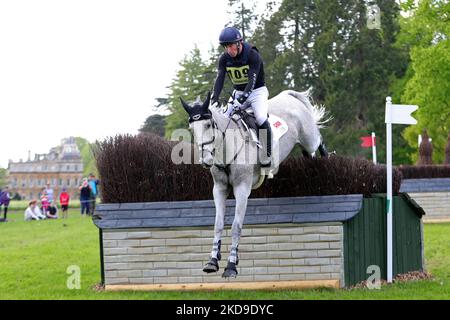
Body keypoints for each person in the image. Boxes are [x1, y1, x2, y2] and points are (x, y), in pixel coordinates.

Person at [211, 26, 272, 167]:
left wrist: (242, 100)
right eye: (225, 47)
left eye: (230, 46)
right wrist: (214, 99)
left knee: (261, 118)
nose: (228, 50)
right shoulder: (224, 59)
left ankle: (267, 155)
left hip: (257, 91)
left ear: (239, 43)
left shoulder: (252, 55)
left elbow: (252, 81)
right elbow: (219, 79)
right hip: (238, 92)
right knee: (223, 119)